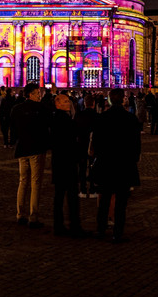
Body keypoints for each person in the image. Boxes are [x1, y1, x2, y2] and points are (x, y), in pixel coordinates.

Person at [93, 95, 140, 241]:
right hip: (124, 165)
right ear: (123, 101)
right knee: (121, 202)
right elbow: (136, 145)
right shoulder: (131, 119)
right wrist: (132, 160)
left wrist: (100, 157)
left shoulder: (102, 118)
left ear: (109, 100)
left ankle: (101, 229)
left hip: (106, 163)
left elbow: (96, 142)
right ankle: (118, 232)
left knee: (104, 199)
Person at [47, 94, 88, 236]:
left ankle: (58, 225)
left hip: (58, 162)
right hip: (67, 162)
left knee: (59, 195)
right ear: (57, 104)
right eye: (64, 101)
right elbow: (72, 138)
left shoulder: (55, 119)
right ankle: (74, 226)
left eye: (68, 101)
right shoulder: (64, 120)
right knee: (71, 195)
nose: (68, 103)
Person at [9, 85, 49, 228]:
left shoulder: (16, 109)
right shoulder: (41, 109)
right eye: (37, 93)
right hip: (36, 149)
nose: (40, 95)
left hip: (22, 149)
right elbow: (46, 128)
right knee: (35, 183)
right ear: (31, 94)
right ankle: (33, 216)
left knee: (23, 181)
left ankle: (20, 214)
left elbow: (12, 129)